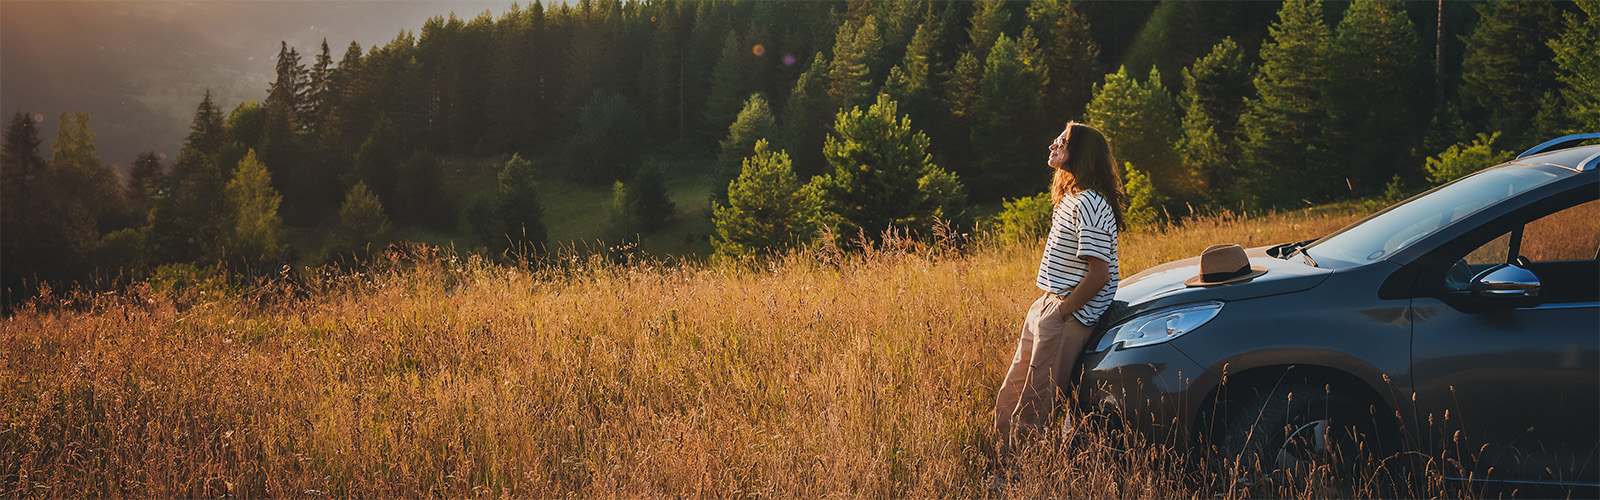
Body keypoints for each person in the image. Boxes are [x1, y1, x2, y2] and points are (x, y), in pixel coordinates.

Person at [992, 122, 1127, 476]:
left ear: (1080, 153)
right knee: (1011, 394)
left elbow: (1099, 274)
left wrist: (1063, 312)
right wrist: (1049, 309)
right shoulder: (1071, 198)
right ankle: (1004, 468)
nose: (1053, 144)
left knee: (1034, 405)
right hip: (1047, 304)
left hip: (1067, 314)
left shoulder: (1092, 203)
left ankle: (1021, 480)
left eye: (1063, 141)